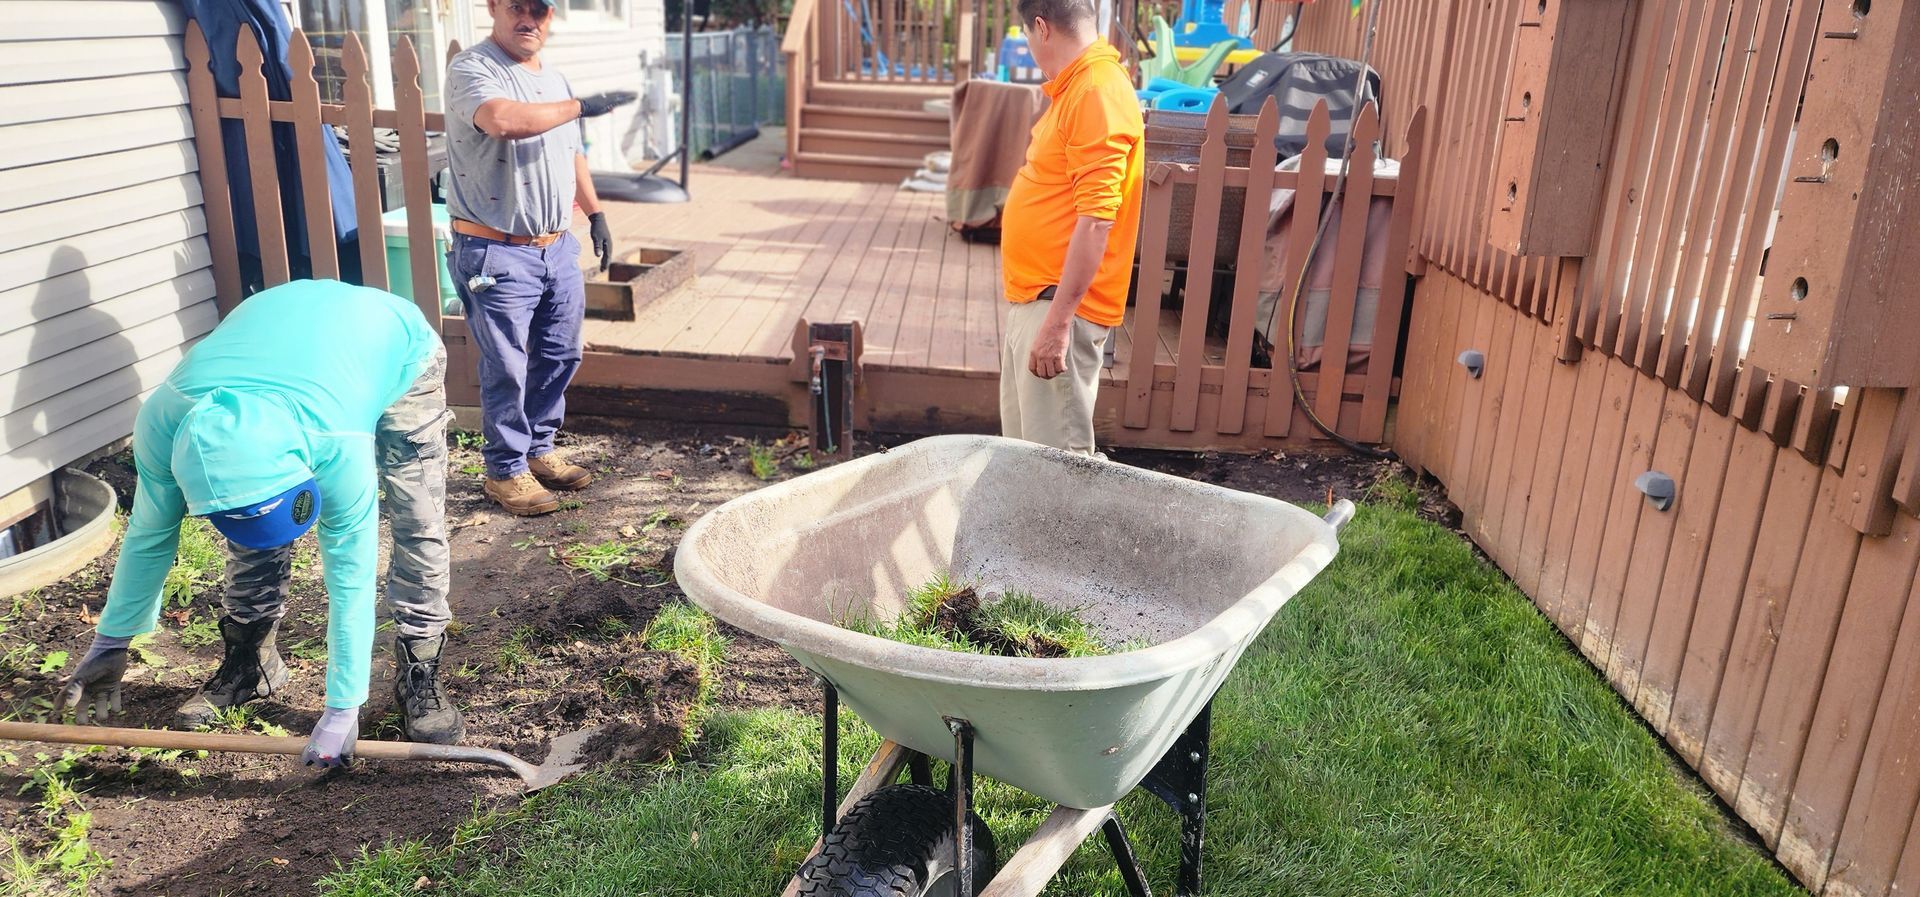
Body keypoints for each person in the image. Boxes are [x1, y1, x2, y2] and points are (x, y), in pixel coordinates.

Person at [55, 280, 462, 768]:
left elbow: (351, 578)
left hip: (393, 347)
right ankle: (252, 660)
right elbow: (148, 535)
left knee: (415, 513)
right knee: (253, 529)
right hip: (278, 336)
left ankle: (420, 660)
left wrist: (340, 709)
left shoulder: (334, 439)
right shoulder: (163, 427)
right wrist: (111, 641)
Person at [443, 0, 636, 516]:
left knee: (559, 354)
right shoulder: (473, 69)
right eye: (516, 8)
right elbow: (504, 120)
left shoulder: (555, 80)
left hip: (555, 246)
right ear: (493, 9)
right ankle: (505, 471)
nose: (529, 19)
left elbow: (571, 152)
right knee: (507, 364)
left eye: (541, 10)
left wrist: (595, 214)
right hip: (495, 251)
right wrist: (579, 105)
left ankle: (538, 449)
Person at [997, 0, 1145, 456]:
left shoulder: (1097, 91)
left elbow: (1098, 219)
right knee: (1025, 465)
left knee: (1058, 476)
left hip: (1057, 307)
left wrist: (1058, 323)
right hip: (1039, 300)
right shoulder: (1080, 87)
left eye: (1025, 34)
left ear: (1041, 28)